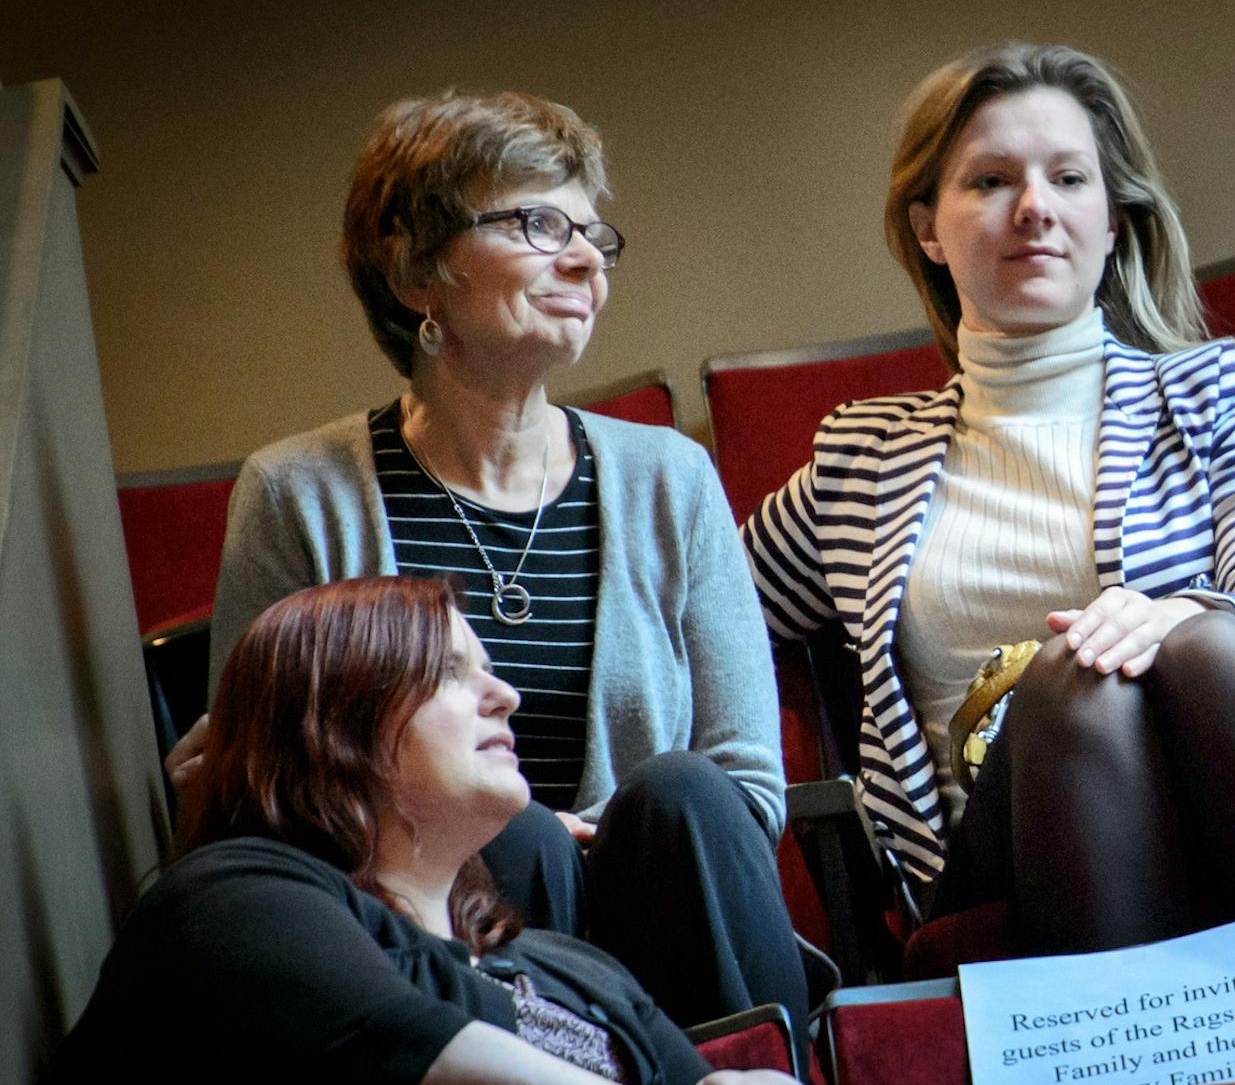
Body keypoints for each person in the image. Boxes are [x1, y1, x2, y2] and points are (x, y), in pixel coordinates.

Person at [741, 42, 1235, 956]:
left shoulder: (1222, 388)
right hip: (1008, 849)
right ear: (928, 227)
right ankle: (1155, 1068)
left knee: (1192, 642)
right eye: (991, 180)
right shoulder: (862, 461)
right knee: (1070, 674)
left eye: (1069, 177)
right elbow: (703, 611)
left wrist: (1167, 620)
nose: (1036, 209)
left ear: (1115, 216)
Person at [170, 91, 804, 1027]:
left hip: (675, 912)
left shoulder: (673, 479)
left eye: (594, 234)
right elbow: (269, 789)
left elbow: (748, 785)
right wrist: (517, 828)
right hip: (433, 943)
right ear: (417, 271)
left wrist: (600, 838)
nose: (585, 258)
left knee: (683, 792)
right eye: (538, 223)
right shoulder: (297, 494)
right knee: (514, 836)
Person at [48, 577, 914, 1085]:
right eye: (453, 673)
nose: (506, 695)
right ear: (335, 722)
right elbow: (424, 1062)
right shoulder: (230, 897)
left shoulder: (567, 965)